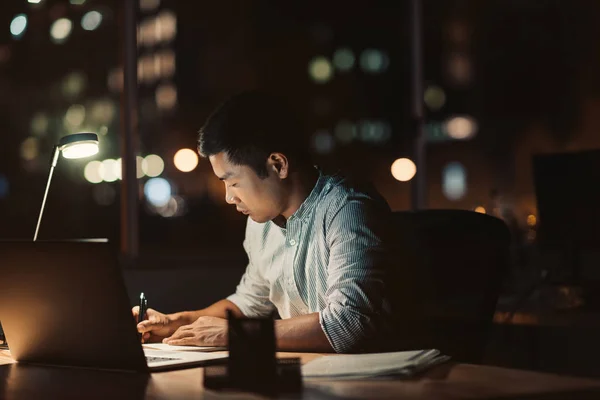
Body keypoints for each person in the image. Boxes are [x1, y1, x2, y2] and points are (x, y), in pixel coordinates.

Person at [133, 91, 393, 353]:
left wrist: (233, 334)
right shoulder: (261, 222)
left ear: (278, 165)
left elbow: (348, 324)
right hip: (309, 372)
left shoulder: (348, 209)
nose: (229, 197)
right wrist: (177, 322)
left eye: (233, 182)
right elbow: (248, 305)